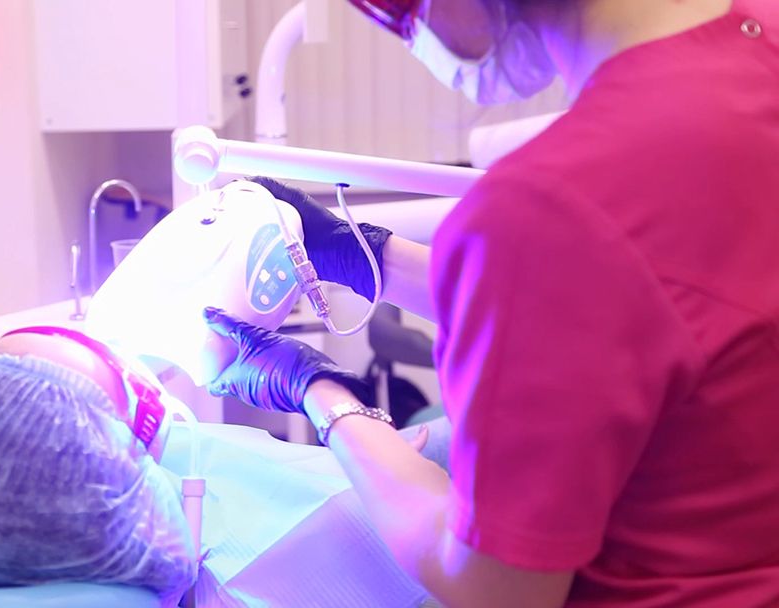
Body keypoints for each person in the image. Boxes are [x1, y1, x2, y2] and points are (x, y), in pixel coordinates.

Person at [203, 0, 779, 606]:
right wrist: (359, 254)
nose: (410, 31)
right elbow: (621, 299)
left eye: (402, 11)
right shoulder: (756, 46)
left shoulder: (553, 204)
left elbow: (494, 587)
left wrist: (321, 393)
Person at [0, 326, 453, 607]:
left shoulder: (87, 481)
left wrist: (366, 448)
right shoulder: (262, 567)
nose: (137, 373)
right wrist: (327, 398)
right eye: (124, 383)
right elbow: (459, 558)